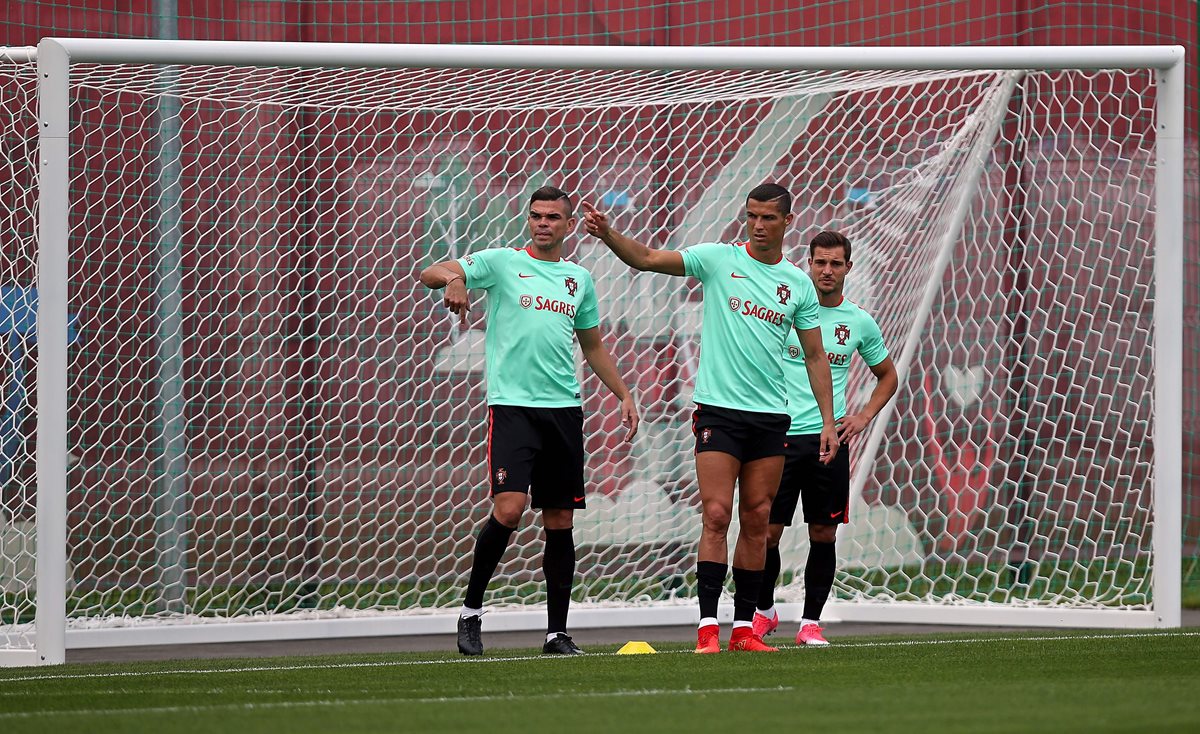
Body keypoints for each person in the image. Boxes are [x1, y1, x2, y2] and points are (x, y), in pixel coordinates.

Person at [583, 183, 837, 653]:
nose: (758, 225)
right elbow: (649, 259)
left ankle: (743, 630)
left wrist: (826, 420)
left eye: (768, 218)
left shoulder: (797, 284)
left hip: (771, 417)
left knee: (757, 519)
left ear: (787, 221)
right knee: (717, 514)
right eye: (751, 216)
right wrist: (609, 235)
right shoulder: (719, 259)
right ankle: (706, 629)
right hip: (719, 412)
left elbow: (815, 355)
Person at [419, 185, 639, 657]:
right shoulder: (501, 263)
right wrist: (454, 280)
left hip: (564, 410)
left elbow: (593, 345)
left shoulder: (578, 278)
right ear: (528, 219)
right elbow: (429, 271)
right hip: (513, 407)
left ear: (567, 224)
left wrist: (622, 393)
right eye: (537, 215)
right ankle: (471, 613)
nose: (543, 223)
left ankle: (556, 633)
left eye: (553, 217)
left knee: (559, 520)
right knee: (510, 509)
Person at [752, 230, 898, 646]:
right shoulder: (785, 312)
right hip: (777, 437)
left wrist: (864, 415)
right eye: (820, 262)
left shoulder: (858, 322)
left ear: (849, 268)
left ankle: (810, 623)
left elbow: (887, 376)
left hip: (828, 441)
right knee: (766, 533)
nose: (827, 270)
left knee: (824, 534)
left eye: (836, 263)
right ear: (808, 264)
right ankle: (764, 611)